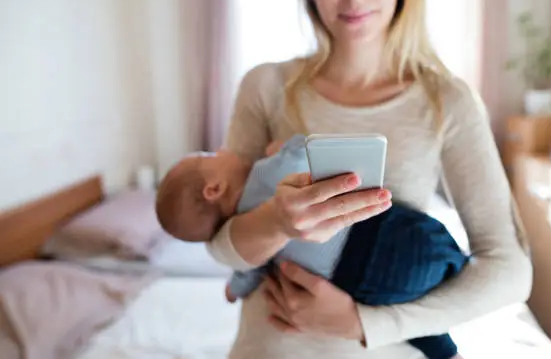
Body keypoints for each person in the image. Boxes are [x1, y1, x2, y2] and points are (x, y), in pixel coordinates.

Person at [201, 0, 533, 358]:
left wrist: (363, 323)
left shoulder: (448, 101)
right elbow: (217, 244)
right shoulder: (265, 87)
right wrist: (277, 222)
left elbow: (511, 270)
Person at [155, 134, 469, 359]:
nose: (221, 148)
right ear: (214, 189)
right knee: (434, 248)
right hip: (376, 237)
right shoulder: (266, 173)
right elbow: (304, 151)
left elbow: (247, 272)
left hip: (354, 284)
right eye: (208, 156)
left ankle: (443, 349)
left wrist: (233, 290)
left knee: (403, 304)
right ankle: (464, 267)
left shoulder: (249, 238)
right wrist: (283, 146)